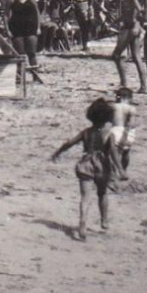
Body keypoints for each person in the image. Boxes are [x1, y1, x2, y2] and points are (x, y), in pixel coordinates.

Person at [50, 99, 125, 241]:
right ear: (108, 117)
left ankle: (83, 221)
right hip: (102, 166)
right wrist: (120, 169)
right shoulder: (109, 134)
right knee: (102, 193)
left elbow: (70, 143)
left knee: (85, 197)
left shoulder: (86, 132)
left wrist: (58, 152)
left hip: (86, 164)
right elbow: (114, 153)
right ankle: (104, 220)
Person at [109, 0, 147, 94]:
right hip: (131, 26)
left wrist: (138, 20)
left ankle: (124, 83)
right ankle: (143, 86)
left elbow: (139, 9)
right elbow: (128, 12)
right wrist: (116, 20)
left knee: (116, 55)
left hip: (131, 27)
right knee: (136, 57)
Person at [8, 0, 43, 82]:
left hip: (31, 28)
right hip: (16, 28)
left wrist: (38, 27)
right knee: (20, 54)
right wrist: (7, 30)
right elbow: (6, 15)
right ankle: (20, 77)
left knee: (32, 53)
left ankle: (35, 76)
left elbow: (37, 13)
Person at [108, 86, 137, 170]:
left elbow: (109, 120)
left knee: (114, 153)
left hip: (115, 131)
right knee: (126, 153)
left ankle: (114, 170)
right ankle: (124, 169)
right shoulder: (131, 108)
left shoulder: (114, 107)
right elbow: (131, 123)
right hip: (128, 133)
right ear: (130, 99)